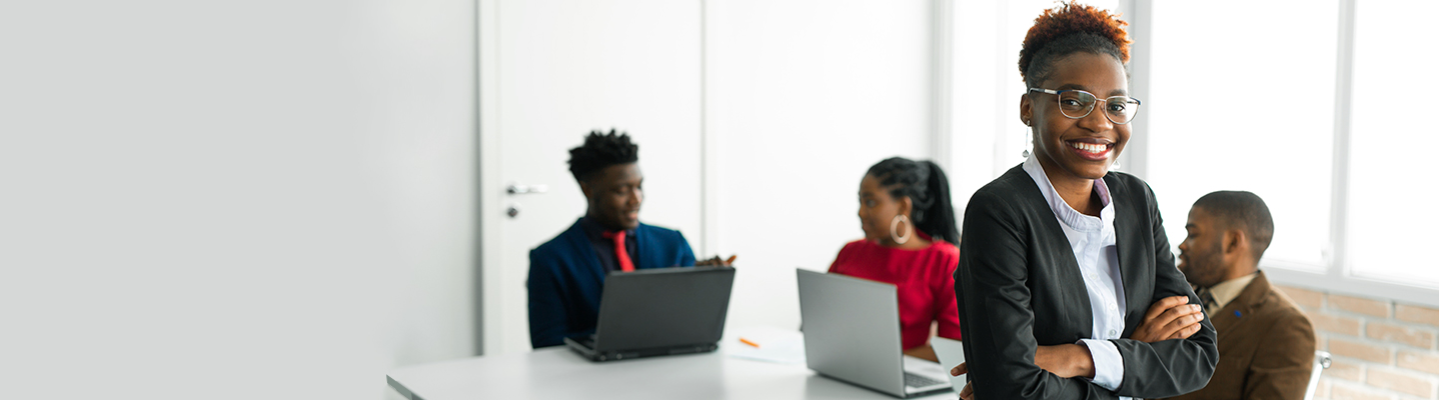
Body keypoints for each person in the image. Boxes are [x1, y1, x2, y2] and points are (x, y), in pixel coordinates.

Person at [949, 3, 1217, 399]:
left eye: (1116, 105)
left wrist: (1078, 358)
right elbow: (1012, 387)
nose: (1099, 122)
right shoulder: (1000, 210)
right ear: (1028, 109)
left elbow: (1199, 355)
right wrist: (1133, 353)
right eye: (1073, 101)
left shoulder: (1137, 201)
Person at [527, 130, 727, 349]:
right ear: (588, 190)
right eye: (622, 190)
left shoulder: (672, 243)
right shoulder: (550, 258)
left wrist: (704, 285)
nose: (636, 199)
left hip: (668, 368)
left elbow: (693, 322)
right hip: (591, 377)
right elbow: (546, 343)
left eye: (639, 186)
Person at [1162, 191, 1316, 400]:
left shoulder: (1285, 326)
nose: (1182, 245)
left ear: (1233, 242)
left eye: (1193, 234)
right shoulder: (1175, 299)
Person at [828, 157, 962, 362]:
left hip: (903, 374)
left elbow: (954, 347)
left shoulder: (943, 260)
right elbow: (822, 320)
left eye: (871, 202)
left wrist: (885, 363)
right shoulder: (850, 252)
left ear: (902, 206)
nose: (861, 212)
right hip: (839, 366)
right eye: (860, 201)